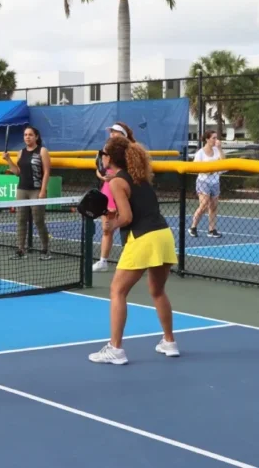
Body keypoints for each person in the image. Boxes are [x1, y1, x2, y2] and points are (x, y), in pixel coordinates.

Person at [88, 136, 179, 365]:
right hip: (163, 235)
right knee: (157, 291)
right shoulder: (139, 177)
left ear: (109, 158)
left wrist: (111, 224)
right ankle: (169, 342)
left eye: (104, 154)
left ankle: (116, 349)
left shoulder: (117, 182)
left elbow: (127, 217)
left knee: (117, 291)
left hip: (143, 238)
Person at [3, 126, 51, 260]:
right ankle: (20, 250)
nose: (27, 137)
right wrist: (8, 160)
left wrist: (42, 190)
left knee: (39, 220)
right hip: (22, 190)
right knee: (20, 220)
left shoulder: (42, 151)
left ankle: (45, 250)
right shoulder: (20, 152)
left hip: (36, 190)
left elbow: (47, 172)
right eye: (25, 135)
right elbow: (17, 172)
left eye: (30, 135)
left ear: (36, 136)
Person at [93, 122, 135, 272]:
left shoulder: (132, 151)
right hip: (107, 191)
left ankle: (130, 260)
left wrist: (118, 177)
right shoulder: (105, 150)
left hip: (123, 190)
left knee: (127, 226)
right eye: (111, 132)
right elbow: (98, 168)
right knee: (107, 228)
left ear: (123, 134)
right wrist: (102, 177)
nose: (112, 134)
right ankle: (103, 261)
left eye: (115, 132)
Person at [189, 130, 223, 238]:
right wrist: (208, 170)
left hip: (215, 182)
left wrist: (220, 149)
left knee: (213, 207)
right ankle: (193, 227)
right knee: (204, 205)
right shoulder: (200, 153)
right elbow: (195, 168)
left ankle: (211, 230)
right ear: (207, 139)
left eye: (216, 138)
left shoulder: (217, 150)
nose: (215, 140)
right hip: (203, 181)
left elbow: (224, 162)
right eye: (213, 138)